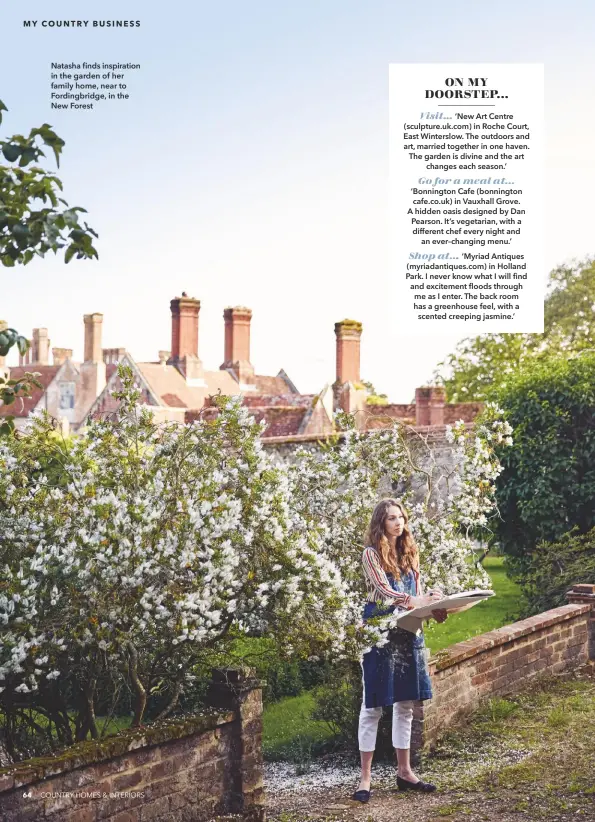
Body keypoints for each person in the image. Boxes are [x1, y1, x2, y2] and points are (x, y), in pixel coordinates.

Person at [352, 498, 447, 803]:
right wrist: (415, 602)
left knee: (405, 705)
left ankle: (405, 772)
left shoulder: (410, 553)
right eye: (391, 518)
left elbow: (416, 593)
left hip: (408, 632)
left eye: (401, 517)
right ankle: (365, 778)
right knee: (373, 706)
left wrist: (433, 604)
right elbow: (383, 591)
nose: (398, 523)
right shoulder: (370, 554)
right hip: (379, 632)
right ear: (381, 523)